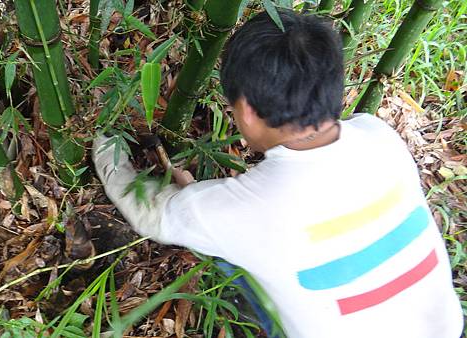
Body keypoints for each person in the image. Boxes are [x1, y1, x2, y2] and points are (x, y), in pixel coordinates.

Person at [92, 9, 464, 338]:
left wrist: (104, 145)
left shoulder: (239, 210)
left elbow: (149, 213)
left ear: (248, 111)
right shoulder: (380, 136)